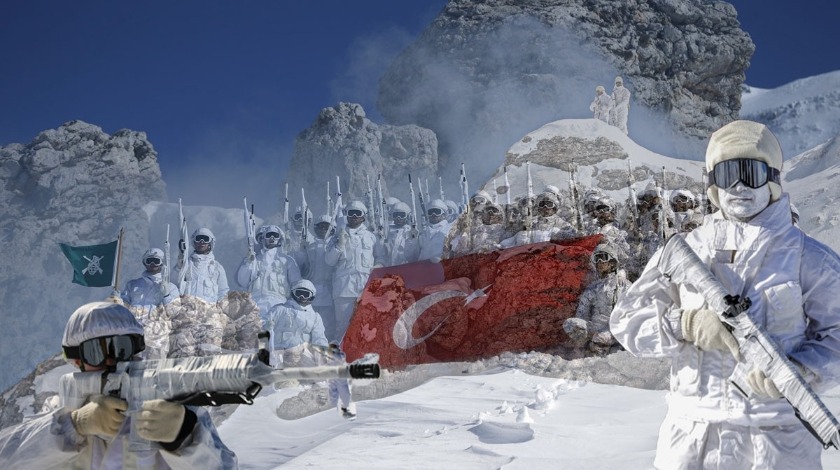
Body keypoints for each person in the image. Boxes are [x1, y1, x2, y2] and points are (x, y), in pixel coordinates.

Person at [610, 120, 840, 469]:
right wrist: (684, 323)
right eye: (727, 172)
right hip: (691, 439)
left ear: (773, 179)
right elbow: (626, 322)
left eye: (751, 172)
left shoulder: (810, 259)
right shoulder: (686, 252)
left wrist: (802, 371)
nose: (738, 186)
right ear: (713, 183)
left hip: (777, 443)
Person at [0, 301, 238, 468]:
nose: (112, 360)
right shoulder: (60, 411)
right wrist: (74, 425)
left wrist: (185, 437)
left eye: (121, 347)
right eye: (96, 352)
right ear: (76, 362)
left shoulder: (173, 407)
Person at [325, 201, 385, 340]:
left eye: (357, 213)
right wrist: (339, 245)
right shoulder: (336, 236)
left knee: (368, 323)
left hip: (366, 286)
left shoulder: (371, 237)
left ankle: (366, 356)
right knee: (343, 326)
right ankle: (343, 357)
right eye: (350, 213)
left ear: (363, 216)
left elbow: (381, 257)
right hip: (344, 288)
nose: (354, 216)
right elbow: (329, 261)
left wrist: (378, 266)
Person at [566, 244, 629, 356]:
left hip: (614, 329)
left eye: (603, 258)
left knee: (601, 337)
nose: (600, 262)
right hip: (595, 328)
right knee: (570, 324)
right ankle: (585, 350)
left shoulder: (623, 285)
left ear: (612, 262)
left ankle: (601, 355)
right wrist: (582, 330)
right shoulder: (593, 287)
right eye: (597, 259)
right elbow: (582, 312)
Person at [236, 224, 301, 324]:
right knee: (257, 335)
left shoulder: (287, 261)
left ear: (279, 239)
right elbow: (242, 281)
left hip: (279, 303)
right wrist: (248, 263)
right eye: (269, 235)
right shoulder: (254, 259)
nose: (272, 238)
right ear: (263, 238)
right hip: (256, 302)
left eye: (275, 235)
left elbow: (296, 284)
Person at [302, 215, 338, 341]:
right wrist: (301, 251)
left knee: (329, 326)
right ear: (315, 228)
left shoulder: (335, 247)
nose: (323, 229)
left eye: (326, 227)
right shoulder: (309, 247)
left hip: (330, 291)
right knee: (310, 324)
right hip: (312, 292)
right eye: (321, 226)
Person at [176, 227, 229, 303]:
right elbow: (174, 285)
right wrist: (178, 267)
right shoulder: (185, 264)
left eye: (205, 239)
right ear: (194, 242)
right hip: (187, 312)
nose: (202, 242)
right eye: (199, 239)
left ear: (210, 243)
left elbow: (223, 292)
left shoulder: (217, 267)